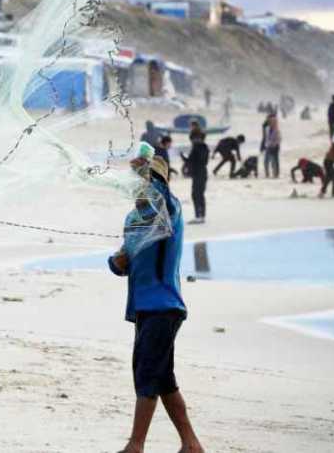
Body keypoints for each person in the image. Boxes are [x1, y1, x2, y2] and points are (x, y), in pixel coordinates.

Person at [108, 157, 204, 453]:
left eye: (145, 183)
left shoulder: (169, 211)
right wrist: (116, 262)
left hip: (164, 306)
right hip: (143, 308)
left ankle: (135, 445)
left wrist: (146, 171)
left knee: (147, 372)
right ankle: (191, 444)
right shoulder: (132, 220)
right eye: (136, 185)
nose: (140, 190)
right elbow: (123, 260)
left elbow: (160, 191)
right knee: (162, 377)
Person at [181, 132, 209, 224]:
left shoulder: (196, 147)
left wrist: (182, 156)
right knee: (200, 194)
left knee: (195, 195)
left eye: (192, 139)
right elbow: (203, 161)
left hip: (197, 174)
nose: (192, 141)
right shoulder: (206, 147)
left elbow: (190, 160)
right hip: (203, 173)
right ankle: (202, 216)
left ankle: (198, 217)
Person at [261, 114, 281, 179]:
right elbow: (265, 137)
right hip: (268, 146)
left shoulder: (276, 130)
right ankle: (268, 174)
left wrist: (273, 145)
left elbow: (278, 139)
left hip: (274, 147)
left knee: (274, 161)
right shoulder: (268, 129)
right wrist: (264, 145)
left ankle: (275, 174)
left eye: (270, 121)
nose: (269, 122)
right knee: (266, 161)